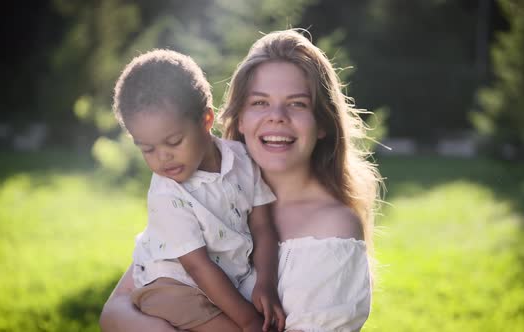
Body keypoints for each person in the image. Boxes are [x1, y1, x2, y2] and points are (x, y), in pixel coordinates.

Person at [100, 29, 383, 332]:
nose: (276, 116)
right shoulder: (202, 189)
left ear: (323, 123)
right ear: (240, 117)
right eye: (260, 103)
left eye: (297, 103)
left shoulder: (331, 229)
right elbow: (116, 309)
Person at [105, 49, 285, 332]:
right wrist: (249, 321)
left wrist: (266, 283)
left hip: (224, 279)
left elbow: (262, 225)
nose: (162, 157)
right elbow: (197, 266)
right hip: (172, 286)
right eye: (147, 149)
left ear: (206, 120)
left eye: (174, 141)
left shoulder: (242, 159)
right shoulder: (167, 193)